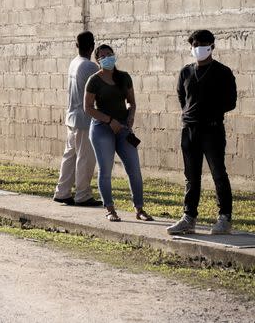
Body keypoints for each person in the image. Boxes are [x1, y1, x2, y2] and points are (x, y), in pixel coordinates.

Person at [167, 30, 238, 236]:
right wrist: (191, 115)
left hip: (212, 129)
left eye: (202, 44)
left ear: (212, 46)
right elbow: (182, 97)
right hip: (189, 129)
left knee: (218, 173)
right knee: (191, 176)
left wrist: (209, 112)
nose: (198, 48)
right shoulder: (186, 72)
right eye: (195, 44)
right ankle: (189, 217)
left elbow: (230, 101)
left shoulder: (223, 72)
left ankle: (224, 218)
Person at [83, 44, 152, 223]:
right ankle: (110, 209)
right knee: (105, 170)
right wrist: (109, 120)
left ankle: (139, 208)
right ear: (98, 60)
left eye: (109, 54)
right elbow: (88, 107)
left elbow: (132, 102)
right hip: (101, 128)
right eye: (103, 55)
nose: (107, 57)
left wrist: (130, 117)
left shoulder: (124, 77)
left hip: (122, 129)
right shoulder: (94, 80)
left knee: (134, 170)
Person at [53, 32, 102, 206]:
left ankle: (62, 191)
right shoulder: (90, 67)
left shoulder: (74, 63)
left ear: (77, 46)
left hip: (72, 117)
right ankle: (83, 195)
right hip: (85, 120)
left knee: (70, 156)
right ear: (92, 46)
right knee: (85, 157)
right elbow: (100, 91)